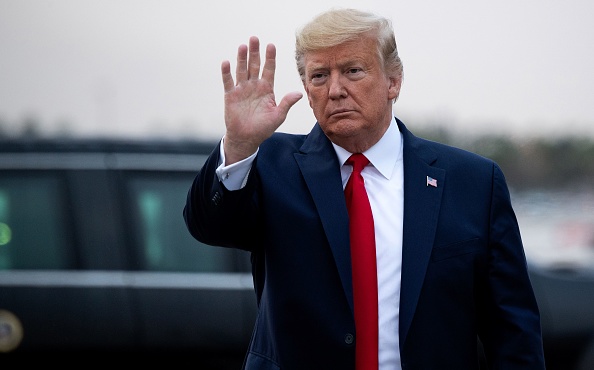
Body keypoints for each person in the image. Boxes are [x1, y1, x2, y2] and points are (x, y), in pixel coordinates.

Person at [183, 8, 545, 370]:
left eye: (353, 71)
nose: (336, 90)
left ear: (393, 81)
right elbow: (209, 226)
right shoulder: (271, 165)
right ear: (307, 91)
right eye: (319, 76)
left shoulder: (473, 182)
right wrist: (239, 144)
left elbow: (513, 330)